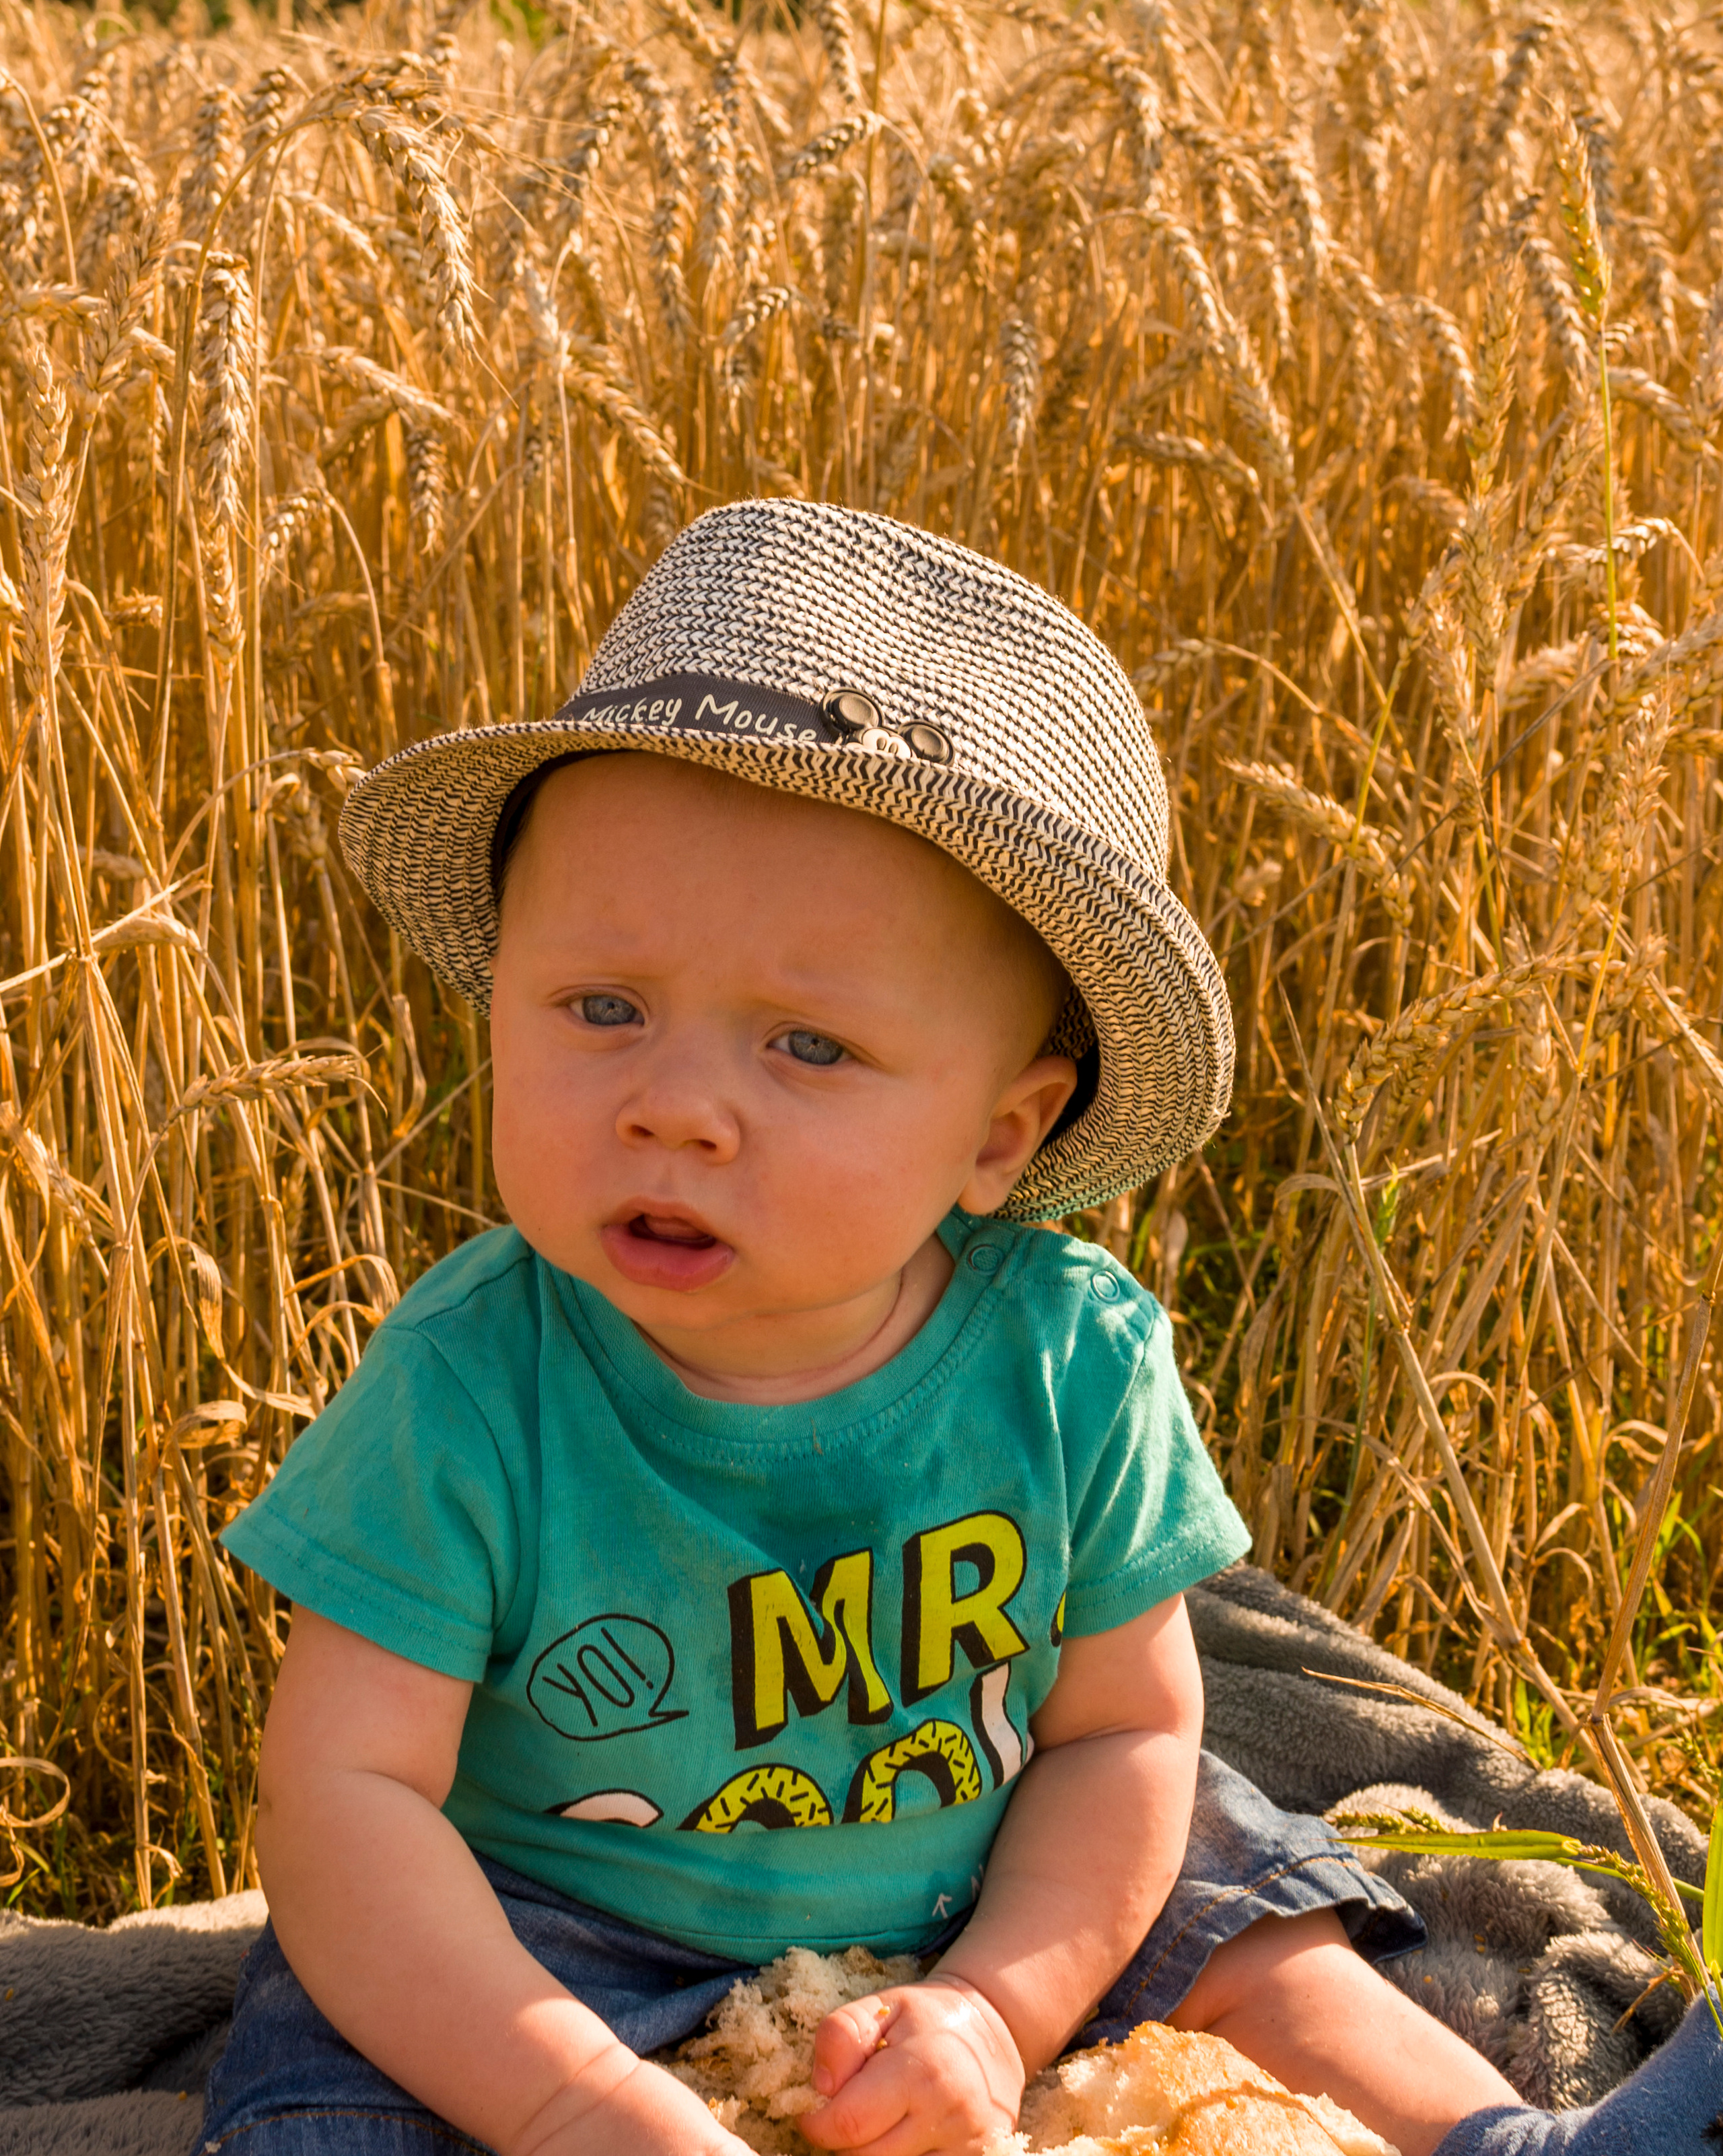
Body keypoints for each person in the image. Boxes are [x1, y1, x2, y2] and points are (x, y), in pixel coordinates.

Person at [203, 501, 1720, 2156]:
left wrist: (998, 2005)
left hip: (1003, 1873)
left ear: (1000, 1137)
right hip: (555, 1932)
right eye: (602, 1008)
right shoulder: (472, 1384)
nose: (677, 1109)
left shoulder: (1067, 1361)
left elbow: (1124, 1730)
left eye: (805, 1046)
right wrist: (574, 2104)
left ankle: (1506, 2148)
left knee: (1253, 1921)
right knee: (335, 2097)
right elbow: (347, 1809)